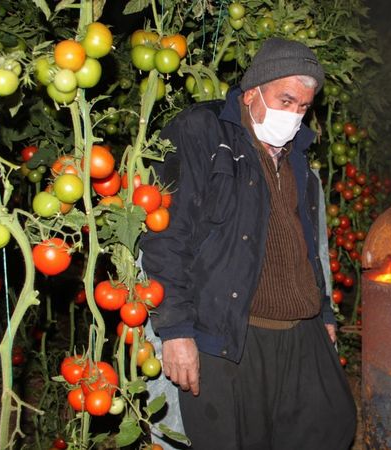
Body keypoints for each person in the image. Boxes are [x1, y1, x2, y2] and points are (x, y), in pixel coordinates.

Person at [139, 37, 357, 450]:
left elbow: (305, 242)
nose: (293, 116)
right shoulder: (201, 133)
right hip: (231, 335)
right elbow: (166, 236)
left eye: (303, 107)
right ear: (253, 91)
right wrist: (176, 330)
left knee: (331, 425)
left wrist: (324, 309)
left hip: (300, 331)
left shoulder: (296, 156)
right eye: (286, 100)